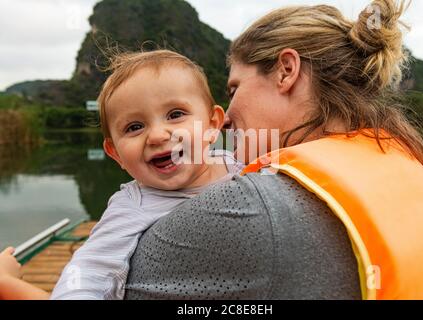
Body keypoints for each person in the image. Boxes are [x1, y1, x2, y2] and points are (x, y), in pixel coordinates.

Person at [124, 0, 423, 300]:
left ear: (286, 71)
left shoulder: (250, 206)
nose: (227, 117)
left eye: (234, 88)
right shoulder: (418, 178)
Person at [0, 50, 243, 300]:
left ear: (213, 125)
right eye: (135, 127)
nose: (158, 135)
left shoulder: (240, 166)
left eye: (176, 114)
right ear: (115, 153)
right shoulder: (131, 208)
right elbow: (86, 273)